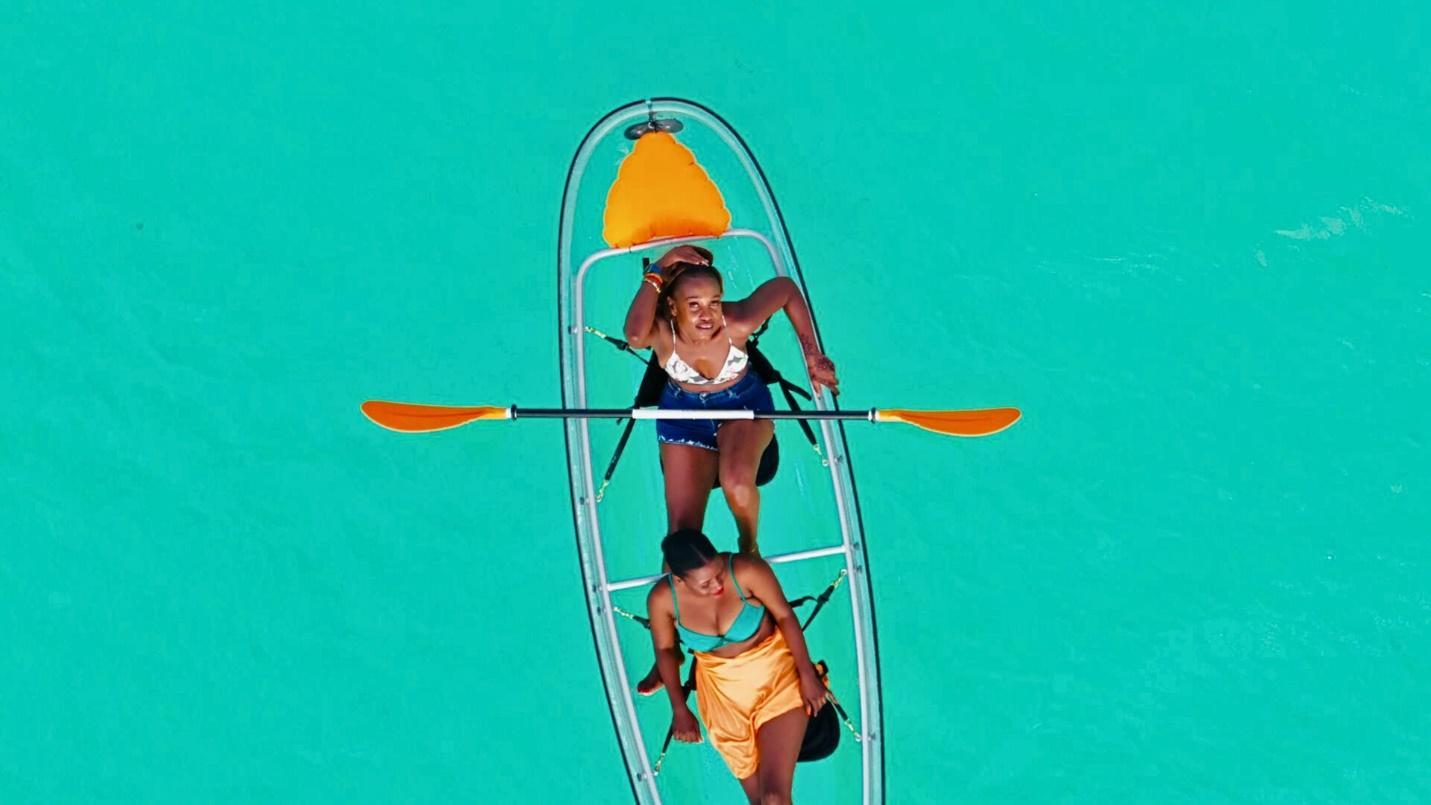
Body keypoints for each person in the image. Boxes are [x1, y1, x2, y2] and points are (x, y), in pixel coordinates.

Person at [622, 245, 839, 557]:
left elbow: (786, 290)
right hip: (682, 415)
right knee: (681, 537)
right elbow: (633, 335)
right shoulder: (661, 332)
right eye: (693, 304)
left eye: (714, 302)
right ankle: (682, 598)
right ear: (672, 307)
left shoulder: (736, 323)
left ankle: (748, 547)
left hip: (742, 407)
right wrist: (658, 267)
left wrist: (812, 355)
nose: (706, 314)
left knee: (737, 484)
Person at [647, 529, 828, 805]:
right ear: (680, 580)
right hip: (722, 698)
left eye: (719, 573)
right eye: (706, 583)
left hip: (775, 678)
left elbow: (785, 615)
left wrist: (806, 672)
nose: (718, 585)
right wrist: (679, 709)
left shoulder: (746, 571)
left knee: (773, 797)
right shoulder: (662, 600)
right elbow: (664, 650)